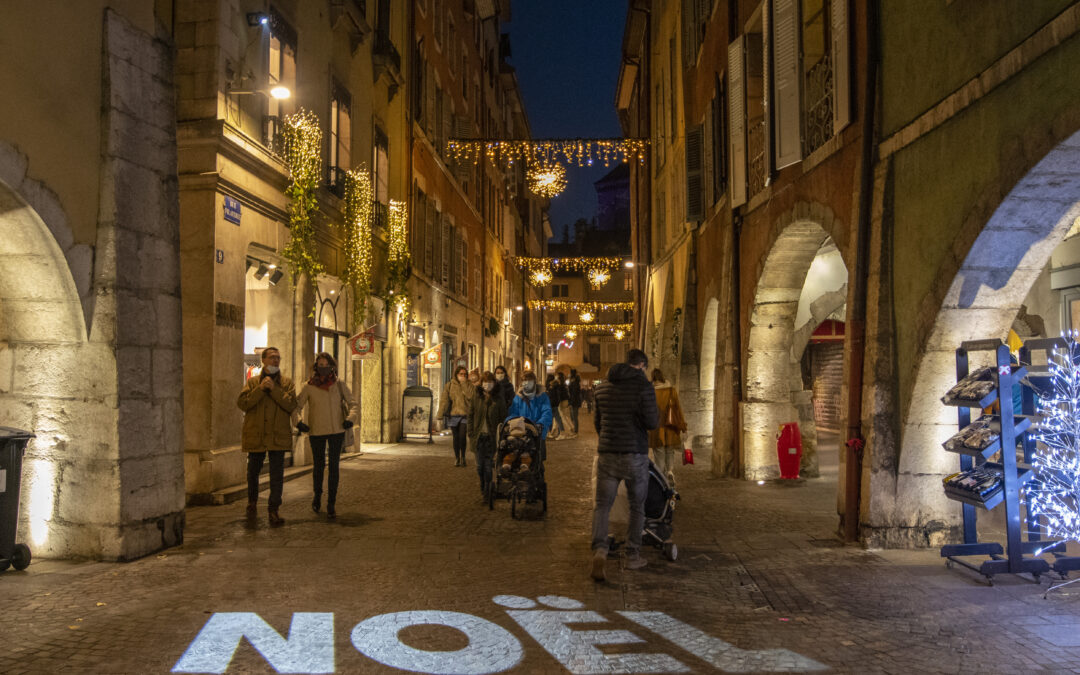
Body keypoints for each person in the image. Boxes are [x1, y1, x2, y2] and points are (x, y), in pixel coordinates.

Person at [590, 348, 659, 581]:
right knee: (637, 506)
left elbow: (598, 423)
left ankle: (600, 549)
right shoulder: (643, 387)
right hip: (635, 454)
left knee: (602, 505)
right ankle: (632, 555)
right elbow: (652, 422)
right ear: (641, 365)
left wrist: (609, 438)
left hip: (608, 454)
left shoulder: (602, 388)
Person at [237, 346, 297, 527]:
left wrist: (274, 390)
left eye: (278, 358)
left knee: (277, 475)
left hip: (277, 436)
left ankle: (273, 509)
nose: (275, 361)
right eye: (271, 358)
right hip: (257, 434)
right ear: (263, 360)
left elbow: (291, 405)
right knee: (253, 472)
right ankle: (252, 503)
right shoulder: (253, 382)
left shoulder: (286, 383)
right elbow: (243, 403)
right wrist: (261, 390)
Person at [295, 352, 357, 519]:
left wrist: (350, 419)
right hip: (316, 431)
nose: (323, 369)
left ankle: (331, 502)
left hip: (337, 430)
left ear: (332, 367)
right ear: (316, 367)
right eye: (320, 365)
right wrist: (298, 422)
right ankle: (317, 495)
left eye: (326, 365)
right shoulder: (308, 386)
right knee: (318, 466)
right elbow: (296, 406)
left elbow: (353, 403)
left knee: (334, 467)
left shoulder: (339, 385)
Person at [468, 371, 507, 496]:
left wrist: (501, 435)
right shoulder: (476, 396)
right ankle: (482, 483)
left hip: (491, 437)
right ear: (481, 383)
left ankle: (488, 489)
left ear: (494, 384)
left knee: (488, 466)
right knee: (480, 466)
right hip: (479, 437)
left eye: (490, 383)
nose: (487, 385)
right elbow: (470, 415)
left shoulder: (498, 399)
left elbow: (503, 418)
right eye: (485, 382)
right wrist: (471, 433)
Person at [648, 368, 686, 484]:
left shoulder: (650, 392)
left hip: (656, 429)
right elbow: (678, 410)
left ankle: (662, 479)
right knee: (670, 451)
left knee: (659, 453)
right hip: (671, 428)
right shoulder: (671, 391)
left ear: (653, 378)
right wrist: (683, 427)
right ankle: (669, 471)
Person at [437, 365, 475, 467]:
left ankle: (463, 456)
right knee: (456, 437)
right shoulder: (449, 385)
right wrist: (440, 415)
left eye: (464, 374)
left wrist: (464, 384)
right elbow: (444, 400)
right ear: (456, 374)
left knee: (462, 436)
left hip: (464, 415)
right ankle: (457, 457)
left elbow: (471, 397)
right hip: (453, 415)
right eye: (460, 374)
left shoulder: (470, 385)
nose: (463, 376)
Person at [507, 371, 553, 446]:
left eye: (529, 380)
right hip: (521, 432)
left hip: (538, 433)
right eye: (524, 380)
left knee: (536, 454)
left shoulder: (542, 396)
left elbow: (547, 412)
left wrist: (540, 424)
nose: (527, 382)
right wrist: (512, 422)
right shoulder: (518, 397)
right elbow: (513, 413)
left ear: (534, 381)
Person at [556, 372, 574, 439]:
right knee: (565, 416)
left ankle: (569, 429)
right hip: (566, 401)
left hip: (562, 401)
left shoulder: (560, 385)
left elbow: (560, 395)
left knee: (562, 416)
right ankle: (571, 427)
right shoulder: (564, 384)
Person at [546, 373, 564, 439]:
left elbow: (550, 396)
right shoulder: (556, 385)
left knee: (550, 419)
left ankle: (549, 432)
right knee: (558, 419)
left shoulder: (550, 386)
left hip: (551, 404)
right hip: (555, 404)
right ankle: (561, 432)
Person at [567, 369, 583, 434]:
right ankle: (574, 429)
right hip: (574, 401)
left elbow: (574, 393)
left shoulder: (574, 383)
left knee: (574, 416)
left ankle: (575, 430)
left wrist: (571, 402)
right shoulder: (574, 382)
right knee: (573, 416)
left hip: (574, 402)